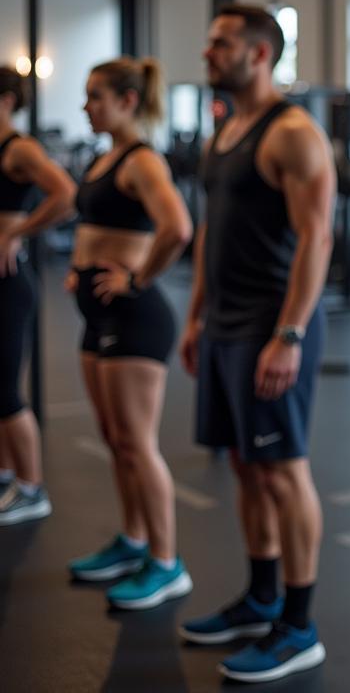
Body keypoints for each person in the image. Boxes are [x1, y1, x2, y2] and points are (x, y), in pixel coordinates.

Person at [178, 4, 335, 684]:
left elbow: (317, 238)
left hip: (274, 324)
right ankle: (262, 596)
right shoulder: (226, 130)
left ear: (260, 53)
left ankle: (299, 626)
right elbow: (212, 227)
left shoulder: (293, 133)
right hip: (225, 324)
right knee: (246, 465)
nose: (208, 53)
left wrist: (289, 334)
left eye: (221, 44)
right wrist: (194, 315)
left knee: (282, 469)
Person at [66, 57, 194, 609]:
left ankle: (167, 564)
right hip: (98, 315)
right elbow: (96, 227)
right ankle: (133, 540)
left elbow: (178, 227)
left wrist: (137, 278)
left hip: (136, 318)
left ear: (128, 101)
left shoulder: (143, 161)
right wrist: (81, 266)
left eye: (97, 96)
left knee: (138, 444)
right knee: (116, 440)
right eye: (87, 96)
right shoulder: (105, 157)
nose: (86, 106)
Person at [0, 66, 76, 526]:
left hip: (11, 283)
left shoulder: (19, 148)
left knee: (4, 390)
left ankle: (32, 487)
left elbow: (66, 194)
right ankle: (6, 473)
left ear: (8, 99)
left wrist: (18, 234)